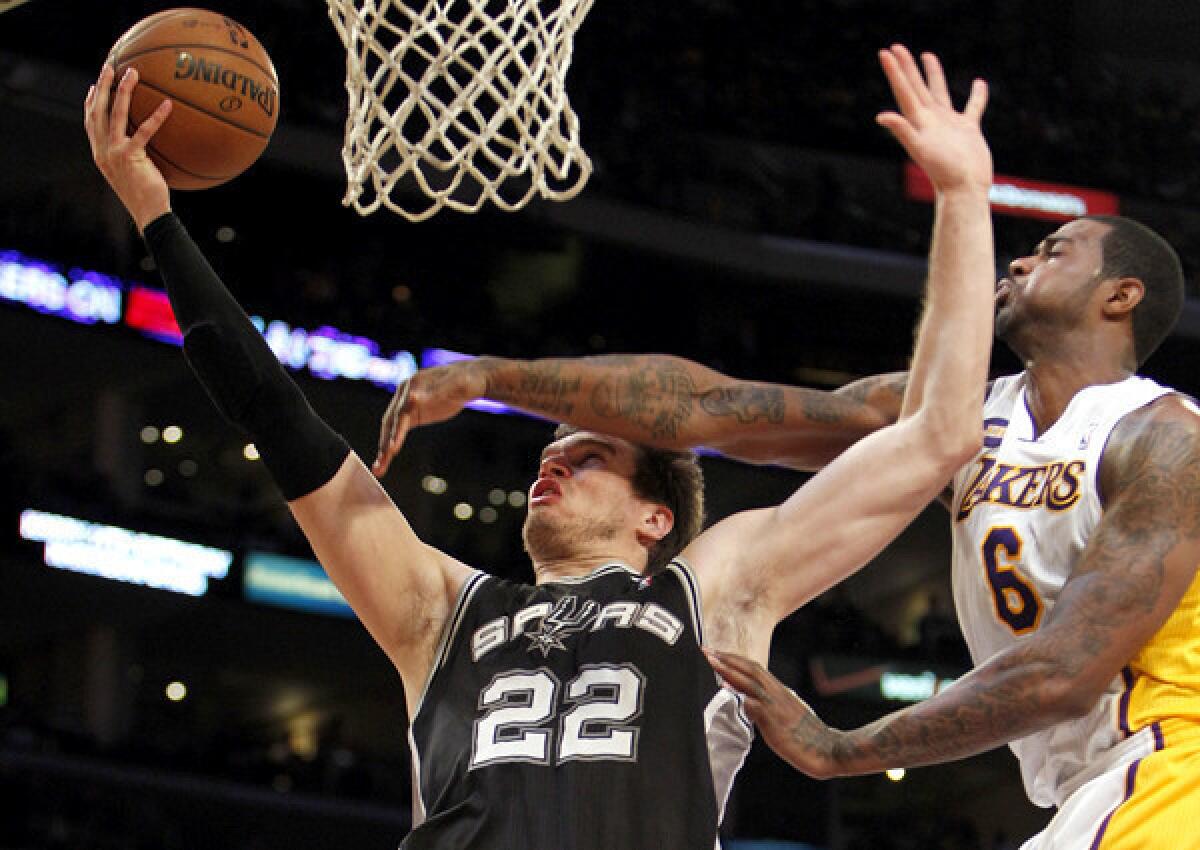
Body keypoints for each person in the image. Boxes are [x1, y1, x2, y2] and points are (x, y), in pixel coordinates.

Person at [85, 45, 994, 849]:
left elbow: (940, 435)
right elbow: (277, 420)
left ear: (657, 515)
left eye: (588, 454)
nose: (550, 462)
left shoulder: (712, 589)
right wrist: (159, 220)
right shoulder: (441, 611)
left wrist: (961, 197)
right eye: (550, 453)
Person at [377, 153, 1200, 850]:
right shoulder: (971, 418)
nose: (1020, 262)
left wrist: (841, 748)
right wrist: (495, 378)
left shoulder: (1165, 438)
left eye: (1054, 251)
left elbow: (1064, 671)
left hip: (1171, 761)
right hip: (1091, 787)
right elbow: (714, 409)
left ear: (1119, 296)